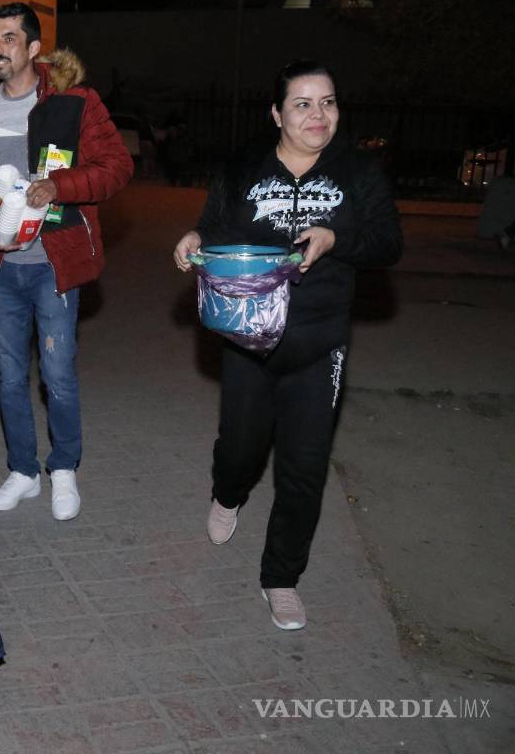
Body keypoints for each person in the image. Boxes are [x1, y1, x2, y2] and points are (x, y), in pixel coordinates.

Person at [172, 60, 402, 631]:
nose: (317, 115)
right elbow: (214, 228)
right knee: (242, 448)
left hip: (320, 340)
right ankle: (227, 493)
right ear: (277, 113)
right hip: (248, 334)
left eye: (327, 102)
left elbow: (387, 244)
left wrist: (336, 236)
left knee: (304, 466)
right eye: (302, 103)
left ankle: (281, 578)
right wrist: (195, 239)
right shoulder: (244, 167)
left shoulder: (359, 172)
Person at [0, 2, 133, 521]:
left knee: (57, 373)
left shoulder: (74, 102)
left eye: (9, 38)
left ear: (32, 48)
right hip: (1, 265)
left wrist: (60, 186)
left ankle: (64, 468)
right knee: (9, 376)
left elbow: (117, 166)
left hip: (55, 263)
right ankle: (23, 471)